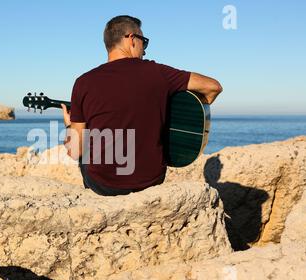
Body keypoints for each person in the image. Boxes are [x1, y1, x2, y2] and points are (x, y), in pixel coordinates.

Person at [62, 15, 222, 197]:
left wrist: (69, 124)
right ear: (131, 39)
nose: (144, 51)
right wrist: (177, 112)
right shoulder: (158, 73)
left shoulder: (83, 82)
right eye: (143, 42)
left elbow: (75, 151)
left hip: (104, 185)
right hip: (150, 181)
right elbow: (213, 87)